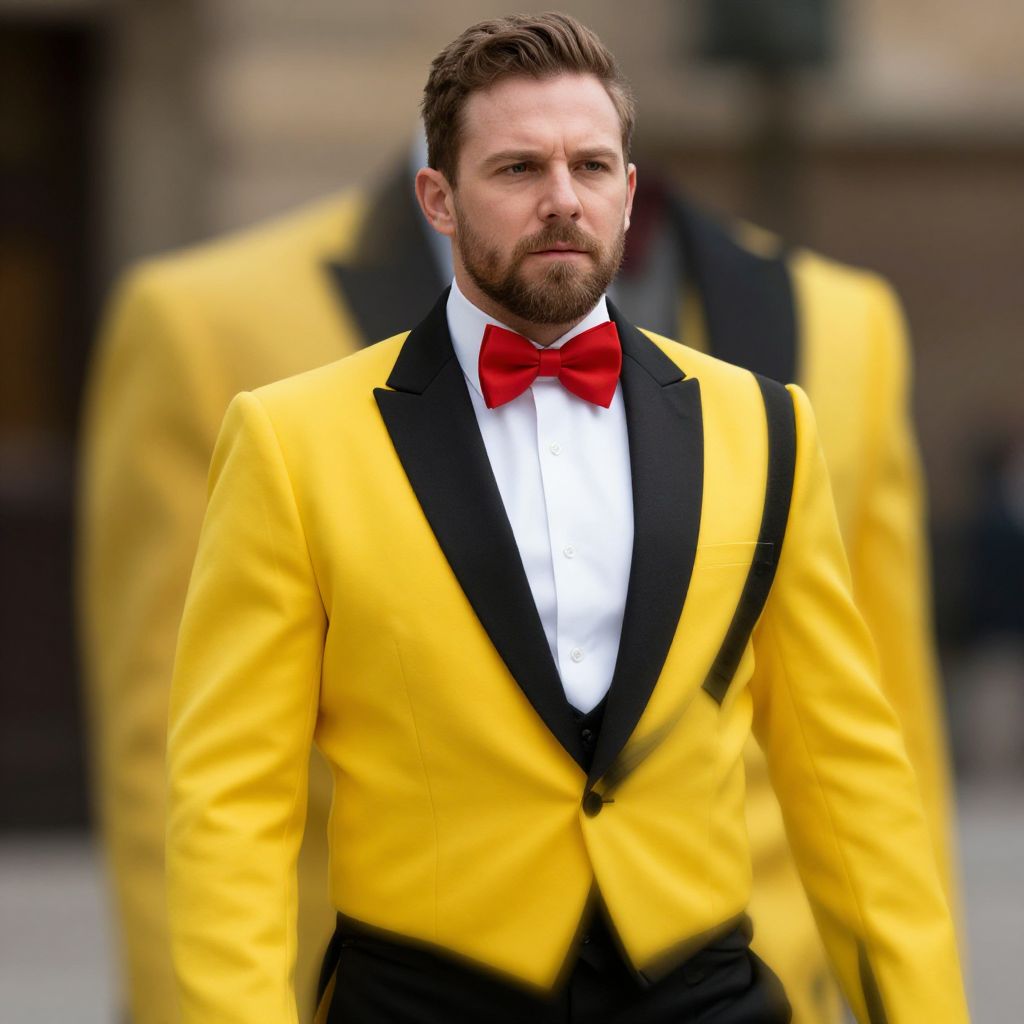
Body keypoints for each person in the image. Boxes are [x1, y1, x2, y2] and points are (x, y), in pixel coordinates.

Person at [78, 22, 958, 1024]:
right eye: (517, 167)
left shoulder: (765, 424)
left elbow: (847, 775)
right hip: (422, 994)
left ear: (628, 191)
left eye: (589, 165)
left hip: (705, 991)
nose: (560, 199)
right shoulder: (289, 439)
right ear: (438, 199)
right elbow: (228, 802)